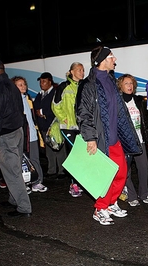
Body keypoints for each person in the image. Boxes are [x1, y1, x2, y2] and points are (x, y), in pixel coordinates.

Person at [77, 46, 142, 225]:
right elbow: (83, 113)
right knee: (104, 176)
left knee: (121, 173)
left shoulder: (111, 80)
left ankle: (111, 203)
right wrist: (91, 138)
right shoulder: (89, 85)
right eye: (112, 57)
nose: (115, 60)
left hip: (115, 137)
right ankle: (100, 208)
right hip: (101, 139)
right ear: (103, 60)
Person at [0, 59, 31, 217]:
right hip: (17, 131)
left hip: (5, 136)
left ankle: (24, 207)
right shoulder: (12, 85)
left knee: (12, 172)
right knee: (12, 169)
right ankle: (13, 198)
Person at [117, 74, 148, 207]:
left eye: (131, 83)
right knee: (126, 171)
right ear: (120, 86)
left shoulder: (138, 101)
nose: (129, 86)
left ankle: (144, 194)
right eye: (126, 83)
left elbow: (145, 122)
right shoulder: (117, 102)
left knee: (143, 168)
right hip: (125, 142)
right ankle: (131, 196)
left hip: (140, 140)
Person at [52, 62, 85, 197]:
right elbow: (55, 105)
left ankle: (80, 182)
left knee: (82, 155)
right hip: (68, 128)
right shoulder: (63, 86)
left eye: (83, 70)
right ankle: (74, 185)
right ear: (71, 71)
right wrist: (63, 118)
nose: (82, 72)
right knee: (74, 155)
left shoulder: (84, 86)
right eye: (79, 70)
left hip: (82, 127)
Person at [12, 76, 48, 193]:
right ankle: (24, 184)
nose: (23, 86)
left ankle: (37, 182)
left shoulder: (28, 98)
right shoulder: (13, 101)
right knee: (22, 162)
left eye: (24, 84)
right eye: (20, 85)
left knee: (35, 159)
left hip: (32, 135)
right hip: (21, 136)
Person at [34, 72, 67, 179]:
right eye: (40, 81)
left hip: (54, 126)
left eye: (44, 81)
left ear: (50, 81)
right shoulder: (40, 95)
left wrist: (42, 112)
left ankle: (62, 171)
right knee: (49, 149)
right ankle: (51, 169)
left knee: (58, 148)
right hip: (44, 126)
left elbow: (56, 107)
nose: (41, 83)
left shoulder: (55, 92)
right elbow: (36, 107)